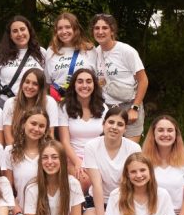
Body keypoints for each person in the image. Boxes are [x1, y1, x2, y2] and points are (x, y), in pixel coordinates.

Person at [83, 105, 142, 215]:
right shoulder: (91, 146)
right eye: (111, 122)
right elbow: (97, 184)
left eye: (120, 124)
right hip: (97, 201)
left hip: (124, 200)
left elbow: (130, 183)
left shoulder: (134, 148)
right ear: (104, 124)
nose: (114, 127)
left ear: (125, 128)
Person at [91, 13, 147, 141]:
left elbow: (143, 80)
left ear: (112, 30)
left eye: (105, 28)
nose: (100, 32)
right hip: (106, 109)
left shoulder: (126, 51)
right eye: (96, 28)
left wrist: (135, 108)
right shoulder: (94, 53)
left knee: (130, 153)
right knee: (108, 151)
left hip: (129, 106)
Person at [142, 115, 184, 215]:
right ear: (153, 134)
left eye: (170, 130)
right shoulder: (143, 159)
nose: (165, 134)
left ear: (176, 135)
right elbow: (140, 193)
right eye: (160, 130)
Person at [4, 107, 52, 215]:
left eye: (41, 126)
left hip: (48, 213)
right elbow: (7, 189)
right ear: (24, 123)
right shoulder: (10, 152)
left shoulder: (50, 152)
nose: (36, 129)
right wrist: (18, 213)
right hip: (22, 213)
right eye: (33, 123)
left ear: (46, 130)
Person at [0, 15, 48, 106]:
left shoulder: (41, 52)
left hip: (34, 105)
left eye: (22, 29)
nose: (20, 34)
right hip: (7, 105)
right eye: (15, 31)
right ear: (10, 36)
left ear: (29, 31)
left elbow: (47, 81)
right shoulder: (2, 54)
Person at [57, 68, 103, 187]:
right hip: (73, 157)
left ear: (94, 85)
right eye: (80, 81)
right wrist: (78, 162)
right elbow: (64, 141)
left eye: (88, 81)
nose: (84, 85)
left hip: (97, 156)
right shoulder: (64, 108)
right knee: (84, 179)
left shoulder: (103, 108)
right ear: (74, 85)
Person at [2, 68, 59, 145]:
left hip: (41, 149)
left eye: (35, 84)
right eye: (27, 82)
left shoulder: (49, 102)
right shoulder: (10, 102)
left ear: (41, 87)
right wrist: (17, 153)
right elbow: (8, 136)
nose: (29, 86)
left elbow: (50, 135)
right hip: (16, 149)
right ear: (22, 83)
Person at [46, 12, 97, 98]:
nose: (64, 31)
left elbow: (96, 77)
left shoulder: (89, 49)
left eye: (68, 27)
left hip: (84, 99)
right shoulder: (51, 51)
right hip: (59, 101)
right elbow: (48, 81)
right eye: (60, 28)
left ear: (75, 29)